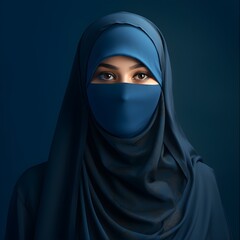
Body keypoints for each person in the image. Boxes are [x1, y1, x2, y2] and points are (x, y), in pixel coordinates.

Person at [5, 11, 230, 240]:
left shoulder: (200, 188)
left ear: (163, 87)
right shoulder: (37, 191)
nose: (124, 94)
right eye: (107, 76)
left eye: (141, 76)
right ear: (83, 87)